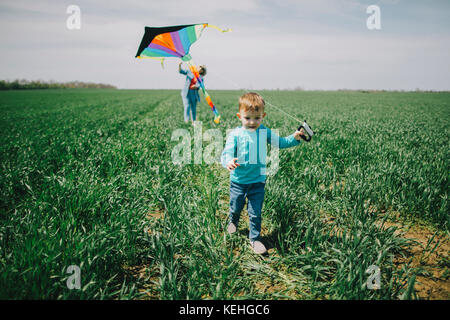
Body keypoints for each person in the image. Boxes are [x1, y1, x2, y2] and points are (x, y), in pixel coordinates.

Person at [220, 92, 305, 254]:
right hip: (238, 181)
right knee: (235, 207)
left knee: (255, 212)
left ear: (263, 116)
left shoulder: (264, 132)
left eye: (257, 118)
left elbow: (280, 143)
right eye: (247, 118)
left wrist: (294, 138)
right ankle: (233, 222)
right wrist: (229, 161)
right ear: (240, 116)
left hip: (257, 181)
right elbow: (227, 153)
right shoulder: (235, 134)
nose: (252, 122)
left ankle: (255, 239)